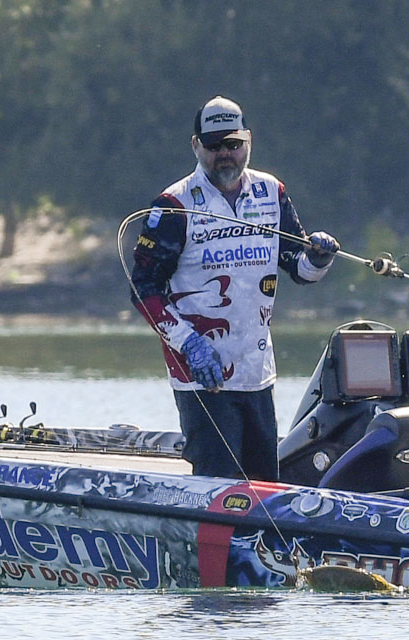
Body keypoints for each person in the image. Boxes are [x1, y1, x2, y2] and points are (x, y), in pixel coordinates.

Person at [130, 95, 339, 480]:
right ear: (196, 146)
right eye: (214, 146)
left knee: (264, 487)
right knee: (221, 488)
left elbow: (300, 269)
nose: (224, 154)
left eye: (233, 144)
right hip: (202, 375)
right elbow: (142, 289)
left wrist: (319, 258)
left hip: (257, 373)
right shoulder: (173, 205)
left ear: (248, 141)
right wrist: (189, 345)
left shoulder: (271, 192)